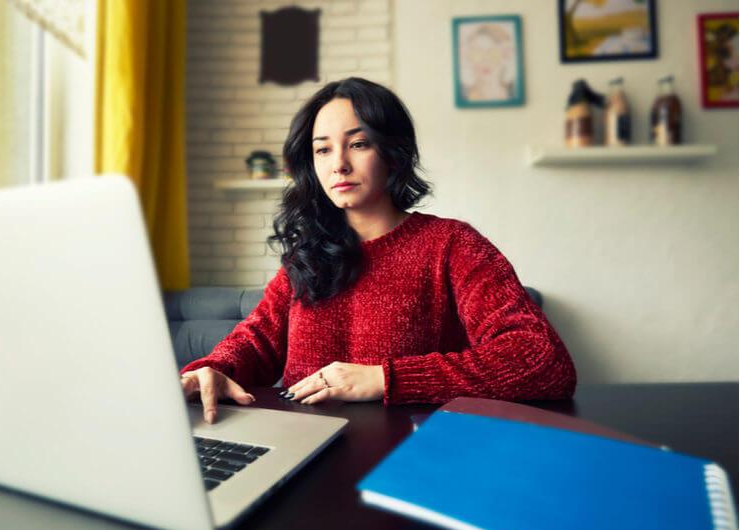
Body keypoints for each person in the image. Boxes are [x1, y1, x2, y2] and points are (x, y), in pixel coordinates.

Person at [181, 77, 576, 424]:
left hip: (413, 455)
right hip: (303, 448)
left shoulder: (452, 245)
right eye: (322, 150)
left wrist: (385, 378)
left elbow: (541, 360)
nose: (339, 164)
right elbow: (258, 339)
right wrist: (214, 368)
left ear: (392, 152)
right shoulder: (308, 254)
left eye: (358, 143)